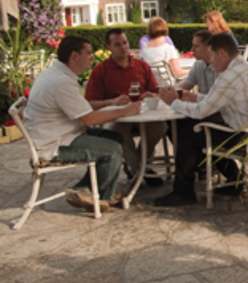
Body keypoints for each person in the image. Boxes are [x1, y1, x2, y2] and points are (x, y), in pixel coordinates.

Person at [22, 36, 141, 212]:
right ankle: (102, 196)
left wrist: (111, 103)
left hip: (56, 134)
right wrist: (125, 111)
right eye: (88, 54)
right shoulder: (62, 82)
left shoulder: (54, 73)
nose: (91, 58)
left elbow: (80, 106)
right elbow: (89, 119)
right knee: (111, 149)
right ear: (74, 56)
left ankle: (85, 190)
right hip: (54, 144)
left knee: (115, 137)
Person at [154, 34, 248, 206]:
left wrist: (174, 102)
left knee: (189, 133)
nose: (210, 61)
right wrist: (195, 98)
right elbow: (215, 101)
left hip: (244, 137)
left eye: (212, 56)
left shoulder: (229, 76)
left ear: (222, 53)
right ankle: (234, 180)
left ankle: (183, 192)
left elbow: (202, 112)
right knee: (193, 126)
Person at [85, 28, 167, 186]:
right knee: (115, 129)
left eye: (125, 42)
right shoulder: (100, 70)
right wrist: (112, 102)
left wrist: (151, 96)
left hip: (142, 113)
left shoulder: (141, 66)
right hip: (116, 116)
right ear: (108, 47)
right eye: (117, 44)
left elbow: (157, 93)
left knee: (161, 126)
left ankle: (135, 166)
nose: (123, 47)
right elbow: (90, 102)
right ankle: (143, 170)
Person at [179, 29, 218, 97]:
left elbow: (219, 98)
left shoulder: (222, 67)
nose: (192, 50)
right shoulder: (198, 64)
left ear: (209, 48)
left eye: (196, 46)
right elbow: (186, 86)